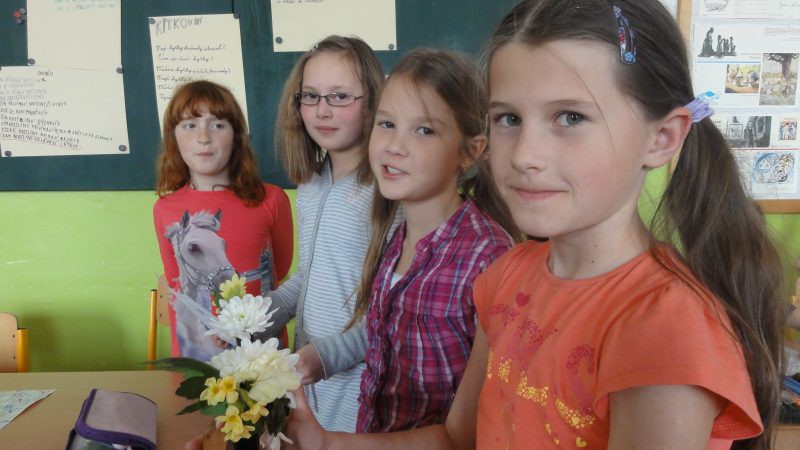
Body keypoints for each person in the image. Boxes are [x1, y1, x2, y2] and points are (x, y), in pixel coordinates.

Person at [285, 1, 785, 449]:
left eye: (570, 118)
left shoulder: (665, 328)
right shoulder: (508, 276)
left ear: (661, 139)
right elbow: (457, 438)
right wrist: (328, 444)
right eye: (508, 119)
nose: (525, 154)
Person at [351, 48, 519, 433]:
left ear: (471, 152)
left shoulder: (489, 258)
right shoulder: (395, 238)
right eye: (387, 124)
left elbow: (475, 427)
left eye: (424, 130)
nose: (394, 146)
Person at [264, 34, 385, 433]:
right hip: (311, 384)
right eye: (311, 96)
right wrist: (262, 313)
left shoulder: (389, 190)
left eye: (340, 96)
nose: (322, 111)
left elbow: (396, 310)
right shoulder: (311, 184)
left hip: (359, 389)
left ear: (372, 101)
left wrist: (329, 354)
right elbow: (311, 273)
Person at [153, 80, 293, 362]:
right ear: (173, 137)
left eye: (217, 125)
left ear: (237, 136)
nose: (203, 137)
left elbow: (279, 269)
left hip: (262, 358)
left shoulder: (272, 199)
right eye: (190, 125)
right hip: (196, 360)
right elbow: (176, 279)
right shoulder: (164, 209)